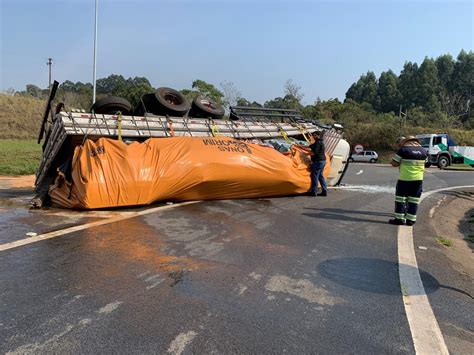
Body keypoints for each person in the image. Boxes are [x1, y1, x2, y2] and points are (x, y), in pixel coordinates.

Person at [389, 135, 427, 226]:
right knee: (414, 200)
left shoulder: (403, 150)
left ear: (406, 141)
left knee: (400, 199)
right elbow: (426, 162)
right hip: (418, 180)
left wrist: (392, 161)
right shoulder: (423, 151)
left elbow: (395, 163)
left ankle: (399, 219)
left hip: (405, 179)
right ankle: (411, 220)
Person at [308, 131, 328, 197]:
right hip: (323, 161)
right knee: (320, 176)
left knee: (315, 176)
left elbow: (314, 153)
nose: (313, 137)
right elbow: (310, 146)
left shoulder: (318, 143)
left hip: (318, 161)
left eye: (314, 135)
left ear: (317, 135)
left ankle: (314, 192)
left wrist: (305, 154)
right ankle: (324, 191)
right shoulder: (320, 142)